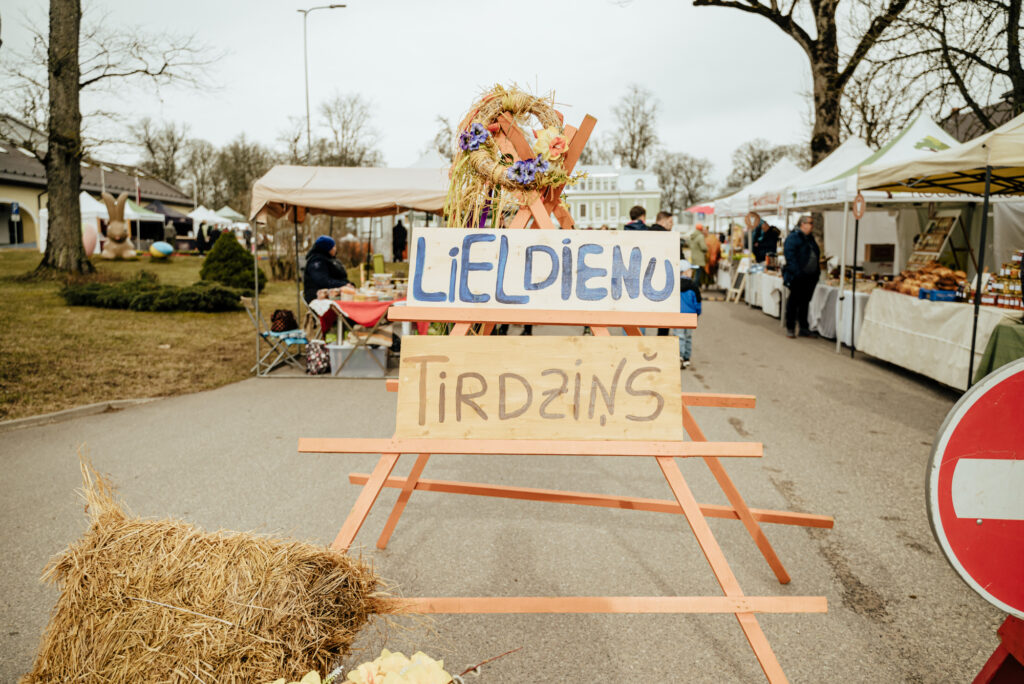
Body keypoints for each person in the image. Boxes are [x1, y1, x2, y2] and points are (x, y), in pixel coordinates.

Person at [783, 214, 821, 338]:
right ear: (802, 224)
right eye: (810, 223)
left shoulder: (810, 238)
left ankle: (804, 327)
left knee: (805, 302)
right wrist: (797, 272)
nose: (812, 226)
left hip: (810, 276)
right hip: (798, 275)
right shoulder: (793, 237)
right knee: (794, 302)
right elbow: (790, 257)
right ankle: (790, 327)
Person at [303, 235, 351, 304]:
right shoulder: (316, 261)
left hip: (334, 293)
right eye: (333, 246)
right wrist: (344, 285)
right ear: (327, 248)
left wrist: (348, 284)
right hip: (318, 296)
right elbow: (323, 281)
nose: (335, 249)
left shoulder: (330, 259)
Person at [676, 259, 702, 369]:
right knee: (688, 336)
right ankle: (686, 357)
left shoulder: (675, 286)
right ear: (685, 272)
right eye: (690, 270)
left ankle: (680, 355)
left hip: (678, 315)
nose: (692, 272)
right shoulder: (694, 286)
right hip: (691, 315)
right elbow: (698, 302)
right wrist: (698, 313)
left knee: (679, 335)